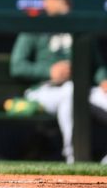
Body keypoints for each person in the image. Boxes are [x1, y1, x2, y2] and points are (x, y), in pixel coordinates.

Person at [10, 32, 107, 163]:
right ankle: (74, 157)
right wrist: (49, 71)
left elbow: (97, 64)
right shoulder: (34, 27)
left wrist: (103, 79)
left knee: (78, 92)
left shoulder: (80, 25)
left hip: (83, 88)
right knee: (70, 92)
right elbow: (17, 66)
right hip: (45, 89)